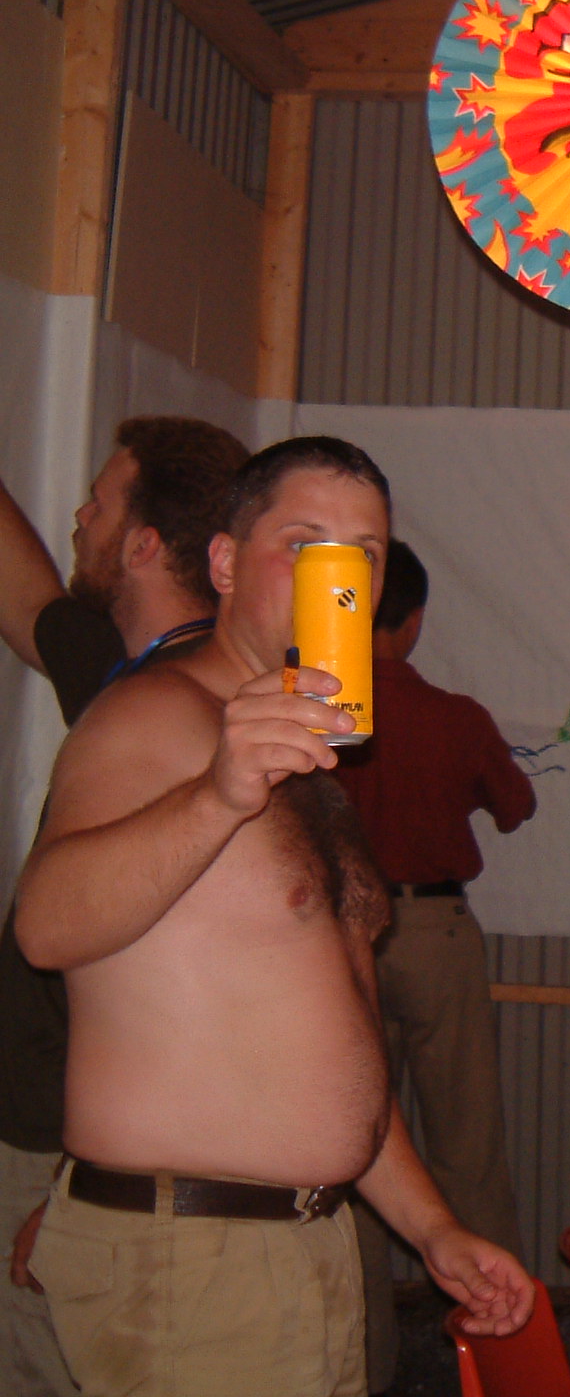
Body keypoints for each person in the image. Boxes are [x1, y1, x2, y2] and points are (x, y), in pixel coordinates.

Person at [14, 436, 532, 1396]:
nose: (337, 575)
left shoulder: (307, 765)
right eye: (303, 544)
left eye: (362, 554)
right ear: (223, 563)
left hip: (303, 1244)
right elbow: (45, 926)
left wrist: (432, 1229)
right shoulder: (156, 716)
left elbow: (332, 1046)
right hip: (193, 1258)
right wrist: (218, 792)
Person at [0, 416, 249, 1397]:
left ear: (143, 544)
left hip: (89, 1151)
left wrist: (79, 1182)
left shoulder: (189, 720)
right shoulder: (125, 672)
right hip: (57, 1134)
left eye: (99, 505)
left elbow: (203, 1004)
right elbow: (30, 604)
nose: (79, 515)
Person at [332, 540, 536, 1395]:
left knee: (349, 1144)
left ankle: (362, 1360)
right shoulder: (455, 716)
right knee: (466, 1146)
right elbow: (516, 805)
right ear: (413, 622)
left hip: (336, 937)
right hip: (434, 927)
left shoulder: (319, 712)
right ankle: (505, 1357)